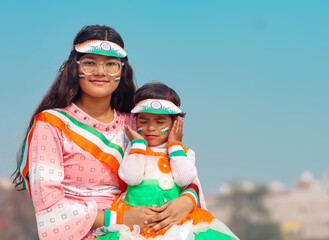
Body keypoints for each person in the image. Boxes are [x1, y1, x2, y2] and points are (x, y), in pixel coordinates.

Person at [12, 25, 197, 240]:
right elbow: (48, 202)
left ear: (121, 71)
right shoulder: (51, 124)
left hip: (145, 229)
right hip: (87, 232)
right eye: (90, 63)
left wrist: (188, 201)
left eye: (111, 64)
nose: (100, 72)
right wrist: (118, 219)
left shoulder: (137, 122)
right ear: (75, 68)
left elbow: (178, 171)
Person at [95, 82, 238, 240]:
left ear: (174, 123)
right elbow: (131, 178)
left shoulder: (184, 153)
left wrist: (174, 146)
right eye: (144, 120)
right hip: (136, 227)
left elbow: (185, 179)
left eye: (160, 121)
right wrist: (138, 145)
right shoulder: (134, 149)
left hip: (176, 226)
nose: (150, 127)